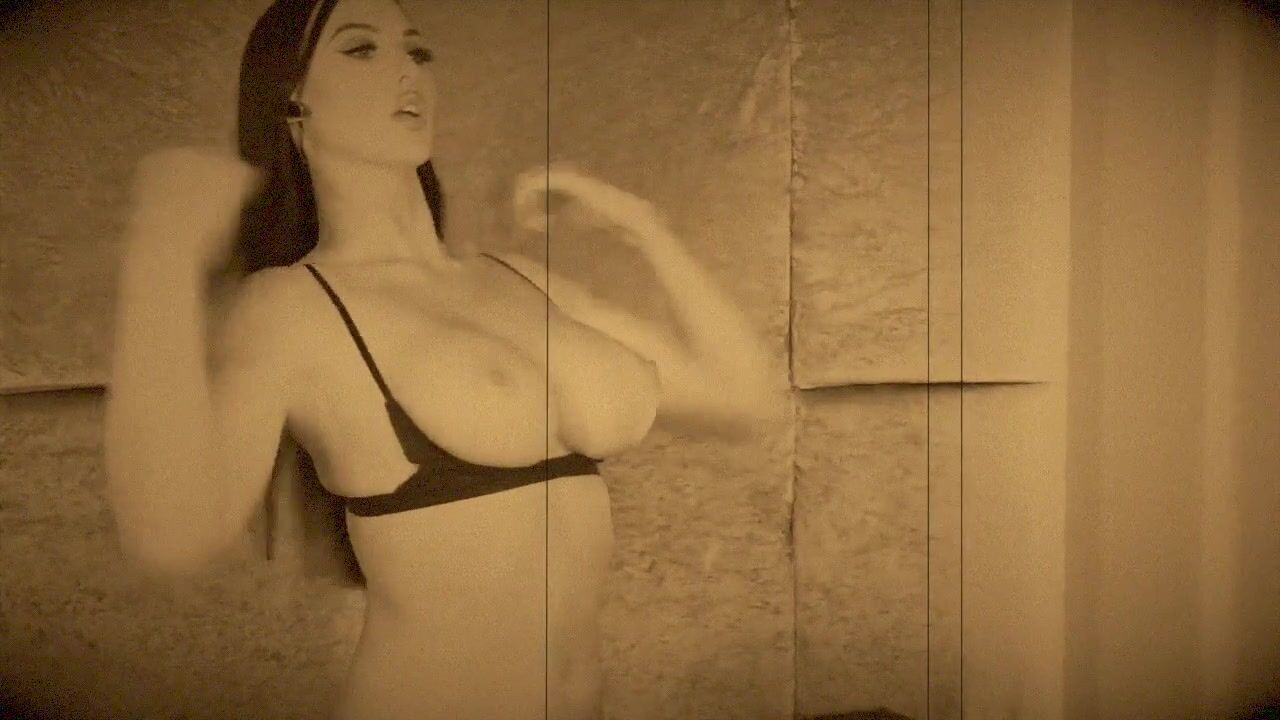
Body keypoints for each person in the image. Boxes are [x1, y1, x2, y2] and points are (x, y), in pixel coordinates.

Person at [102, 0, 783, 718]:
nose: (407, 71)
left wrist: (644, 228)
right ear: (292, 98)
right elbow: (174, 535)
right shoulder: (290, 308)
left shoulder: (519, 280)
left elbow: (744, 402)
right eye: (361, 50)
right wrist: (159, 254)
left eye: (418, 52)